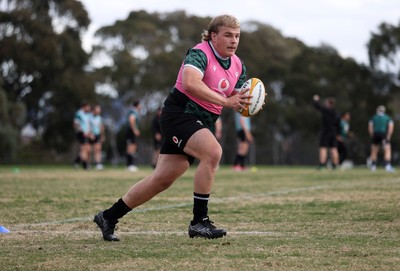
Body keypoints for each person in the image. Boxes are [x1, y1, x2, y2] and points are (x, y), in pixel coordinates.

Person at [94, 14, 252, 241]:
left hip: (201, 122)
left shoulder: (238, 65)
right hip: (179, 115)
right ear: (213, 35)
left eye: (237, 36)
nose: (234, 40)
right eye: (228, 35)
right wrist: (225, 101)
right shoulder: (200, 53)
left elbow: (235, 96)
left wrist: (247, 101)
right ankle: (199, 222)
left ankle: (108, 216)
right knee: (213, 152)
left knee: (162, 179)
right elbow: (190, 83)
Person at [312, 95, 340, 169]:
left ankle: (322, 164)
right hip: (334, 132)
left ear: (329, 103)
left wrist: (316, 100)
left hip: (326, 131)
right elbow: (338, 123)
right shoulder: (336, 112)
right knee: (334, 148)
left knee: (323, 147)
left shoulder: (326, 110)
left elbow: (317, 106)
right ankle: (335, 164)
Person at [368, 105, 394, 172]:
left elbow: (370, 127)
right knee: (387, 149)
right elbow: (391, 127)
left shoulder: (373, 118)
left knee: (374, 150)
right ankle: (387, 165)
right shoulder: (387, 118)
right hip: (383, 134)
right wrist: (388, 135)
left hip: (375, 135)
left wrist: (372, 135)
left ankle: (373, 166)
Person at [73, 102, 91, 170]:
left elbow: (88, 125)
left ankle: (76, 162)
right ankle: (85, 165)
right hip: (81, 133)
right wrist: (82, 131)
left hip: (87, 133)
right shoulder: (79, 114)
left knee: (87, 149)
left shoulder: (87, 114)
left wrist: (89, 132)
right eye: (88, 107)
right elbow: (76, 124)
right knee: (84, 149)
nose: (89, 108)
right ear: (84, 107)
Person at [125, 100, 141, 172]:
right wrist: (135, 130)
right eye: (140, 105)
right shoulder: (133, 112)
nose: (141, 106)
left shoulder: (135, 111)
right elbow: (131, 120)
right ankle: (130, 165)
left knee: (133, 147)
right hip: (130, 131)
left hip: (130, 131)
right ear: (137, 105)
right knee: (130, 147)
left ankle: (131, 164)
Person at [90, 105, 105, 170]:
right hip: (90, 135)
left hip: (97, 135)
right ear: (94, 110)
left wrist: (102, 136)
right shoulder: (89, 116)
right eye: (98, 109)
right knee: (89, 150)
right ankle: (87, 164)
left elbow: (101, 127)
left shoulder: (99, 117)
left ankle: (98, 164)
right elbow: (87, 126)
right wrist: (90, 134)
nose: (99, 110)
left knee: (98, 149)